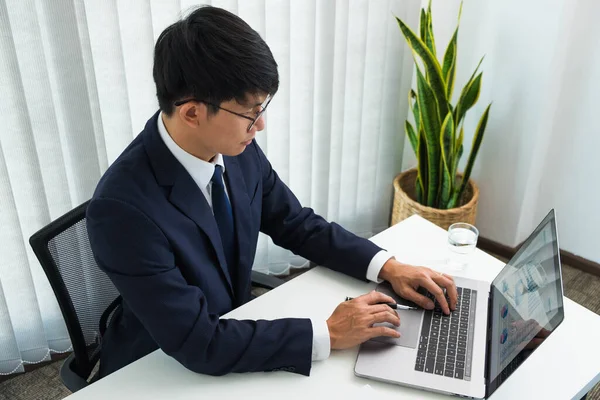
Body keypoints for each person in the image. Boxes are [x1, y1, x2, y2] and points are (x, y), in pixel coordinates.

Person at [86, 6, 457, 379]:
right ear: (192, 113)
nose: (260, 124)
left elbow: (294, 222)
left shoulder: (234, 149)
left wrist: (388, 267)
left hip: (235, 328)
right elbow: (200, 343)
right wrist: (327, 332)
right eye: (249, 112)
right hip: (157, 369)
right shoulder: (121, 211)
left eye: (262, 106)